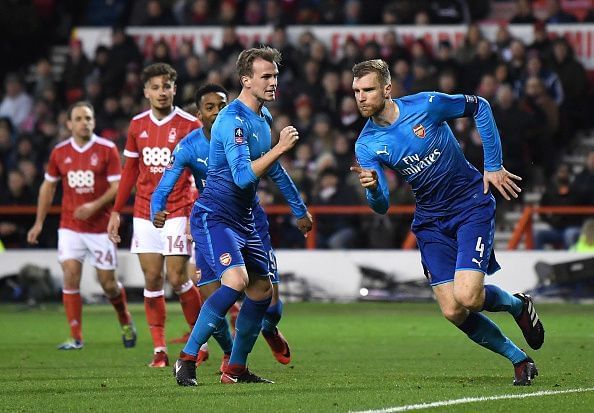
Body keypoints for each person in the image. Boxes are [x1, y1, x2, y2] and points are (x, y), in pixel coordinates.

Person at [349, 59, 544, 386]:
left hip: (469, 205)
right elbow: (381, 206)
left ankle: (516, 305)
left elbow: (480, 106)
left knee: (469, 297)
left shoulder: (427, 105)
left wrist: (493, 165)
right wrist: (371, 190)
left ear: (386, 89)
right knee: (454, 310)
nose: (360, 97)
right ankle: (519, 359)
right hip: (430, 220)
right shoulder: (366, 144)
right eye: (356, 91)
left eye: (367, 89)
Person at [170, 47, 312, 386]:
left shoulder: (261, 120)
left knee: (262, 291)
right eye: (266, 76)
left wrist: (299, 208)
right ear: (246, 80)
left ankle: (235, 370)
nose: (273, 81)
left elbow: (273, 170)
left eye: (275, 75)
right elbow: (243, 177)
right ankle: (186, 358)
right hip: (215, 216)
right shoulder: (231, 119)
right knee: (236, 281)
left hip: (245, 219)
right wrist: (279, 147)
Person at [107, 63, 202, 368]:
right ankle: (159, 350)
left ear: (175, 89)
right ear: (146, 91)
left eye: (167, 86)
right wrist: (115, 212)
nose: (161, 92)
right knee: (151, 278)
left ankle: (196, 343)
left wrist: (195, 212)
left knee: (176, 277)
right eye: (156, 87)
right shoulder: (137, 125)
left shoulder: (190, 125)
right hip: (145, 210)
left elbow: (201, 173)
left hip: (178, 207)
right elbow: (130, 171)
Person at [27, 101, 136, 350]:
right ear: (69, 124)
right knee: (70, 275)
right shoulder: (59, 152)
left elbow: (118, 187)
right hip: (70, 226)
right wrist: (38, 222)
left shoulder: (106, 149)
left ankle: (125, 318)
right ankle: (76, 336)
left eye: (88, 118)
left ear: (94, 121)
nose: (84, 122)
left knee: (108, 284)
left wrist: (93, 206)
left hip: (100, 228)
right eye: (78, 118)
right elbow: (48, 187)